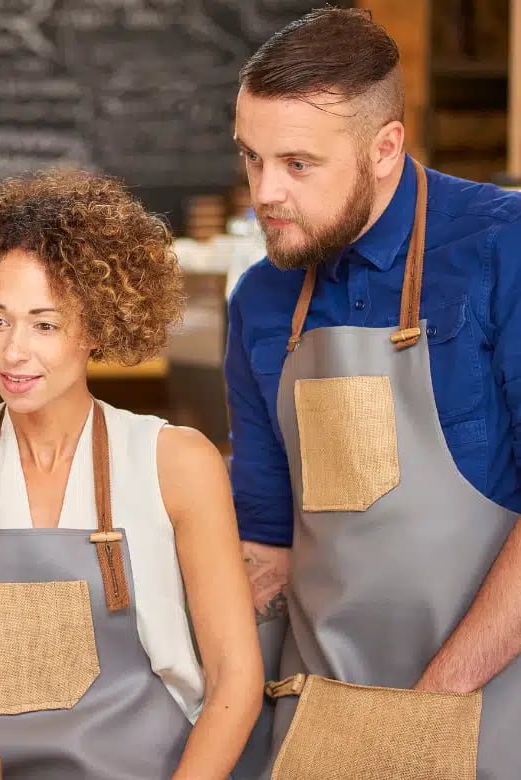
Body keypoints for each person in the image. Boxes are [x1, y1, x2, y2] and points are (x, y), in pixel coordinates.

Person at [0, 169, 263, 779]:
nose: (14, 351)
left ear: (97, 326)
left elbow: (237, 678)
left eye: (45, 324)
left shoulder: (175, 463)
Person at [226, 6, 521, 779]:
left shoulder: (502, 250)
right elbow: (267, 540)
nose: (266, 193)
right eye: (251, 159)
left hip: (490, 712)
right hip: (324, 720)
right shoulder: (262, 299)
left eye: (297, 164)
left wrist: (424, 714)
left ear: (385, 147)